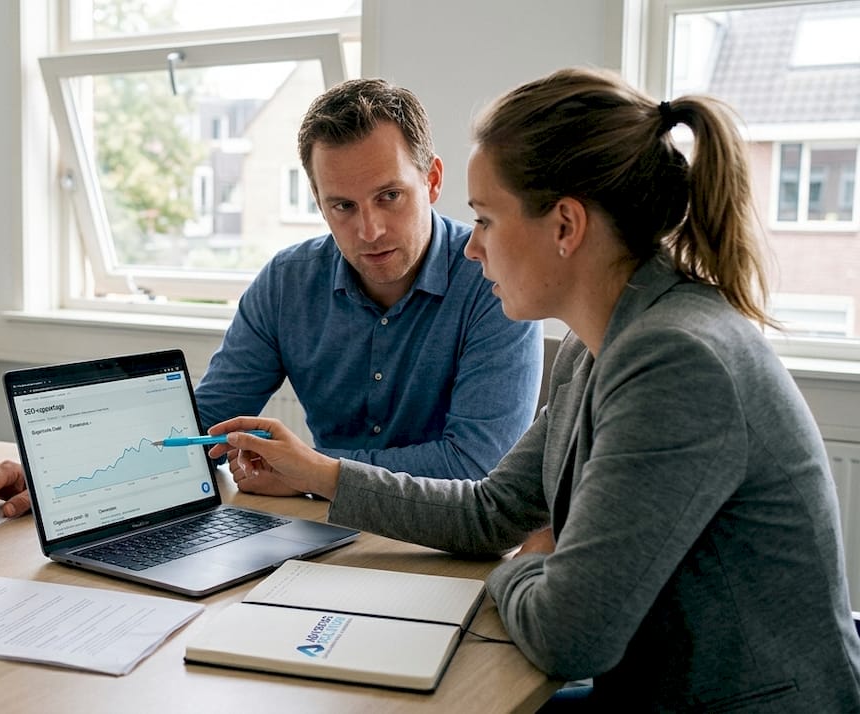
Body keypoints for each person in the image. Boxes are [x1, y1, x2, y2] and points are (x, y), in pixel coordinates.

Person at [207, 67, 860, 710]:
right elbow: (491, 509)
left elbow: (569, 636)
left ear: (566, 227)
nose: (471, 248)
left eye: (486, 220)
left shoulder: (675, 359)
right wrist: (530, 554)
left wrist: (524, 565)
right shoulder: (594, 344)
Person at [0, 79, 542, 522]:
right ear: (317, 201)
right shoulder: (287, 283)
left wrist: (314, 473)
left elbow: (474, 469)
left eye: (390, 196)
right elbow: (200, 427)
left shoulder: (494, 278)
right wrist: (57, 473)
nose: (370, 230)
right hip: (321, 534)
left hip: (449, 545)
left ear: (433, 180)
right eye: (343, 206)